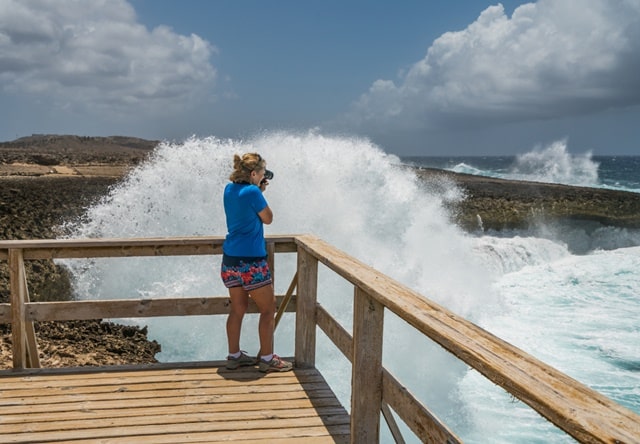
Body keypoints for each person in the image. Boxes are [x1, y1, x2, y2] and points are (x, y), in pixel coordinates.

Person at [220, 152, 293, 373]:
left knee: (238, 309)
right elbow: (268, 218)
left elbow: (244, 211)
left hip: (230, 260)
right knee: (268, 309)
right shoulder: (253, 191)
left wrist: (257, 188)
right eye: (261, 173)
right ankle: (268, 359)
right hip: (251, 261)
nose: (263, 177)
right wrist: (260, 191)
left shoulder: (229, 189)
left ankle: (234, 356)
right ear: (253, 173)